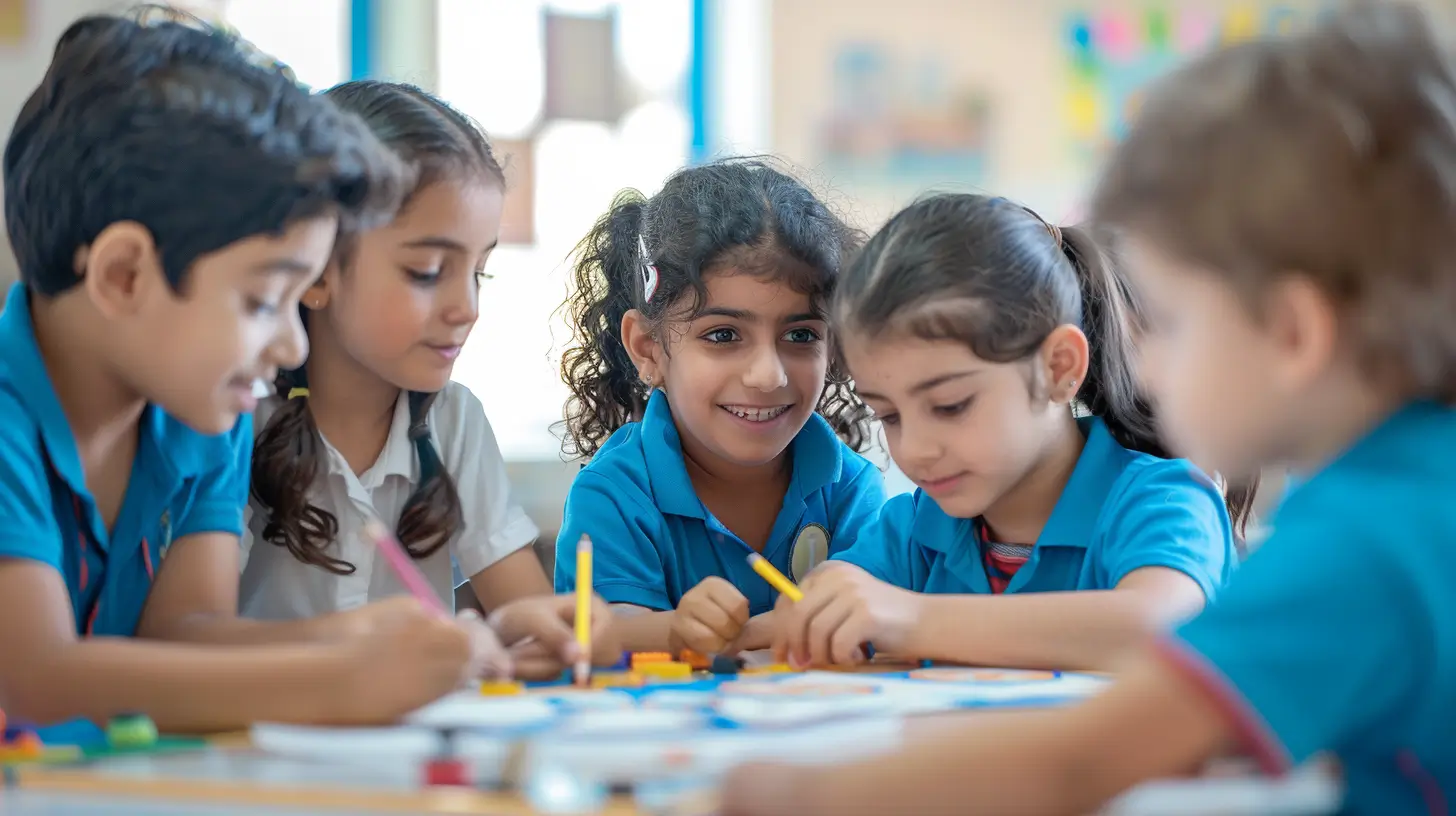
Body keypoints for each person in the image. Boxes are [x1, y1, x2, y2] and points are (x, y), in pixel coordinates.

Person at [722, 4, 1456, 813]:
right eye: (891, 413)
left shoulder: (1365, 540)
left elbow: (1078, 764)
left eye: (1169, 323)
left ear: (1290, 332)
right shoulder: (1410, 494)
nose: (1139, 360)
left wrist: (797, 794)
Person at [0, 11, 484, 734]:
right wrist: (337, 681)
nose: (292, 346)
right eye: (264, 298)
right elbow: (37, 676)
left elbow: (185, 631)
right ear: (126, 275)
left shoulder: (198, 413)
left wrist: (360, 640)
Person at [770, 195, 1249, 672]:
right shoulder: (916, 527)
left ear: (1059, 368)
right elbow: (817, 612)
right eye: (889, 416)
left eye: (950, 405)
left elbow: (1160, 630)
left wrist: (912, 618)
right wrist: (727, 623)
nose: (914, 450)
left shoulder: (1161, 499)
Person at [244, 80, 617, 680]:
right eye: (427, 271)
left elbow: (523, 615)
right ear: (313, 268)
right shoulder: (238, 419)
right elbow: (188, 637)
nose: (466, 306)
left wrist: (556, 632)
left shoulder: (454, 422)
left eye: (480, 273)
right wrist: (361, 649)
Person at [554, 159, 885, 655]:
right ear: (648, 349)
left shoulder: (851, 490)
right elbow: (599, 635)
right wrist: (675, 630)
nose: (768, 375)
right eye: (724, 335)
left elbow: (870, 626)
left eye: (801, 335)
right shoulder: (616, 494)